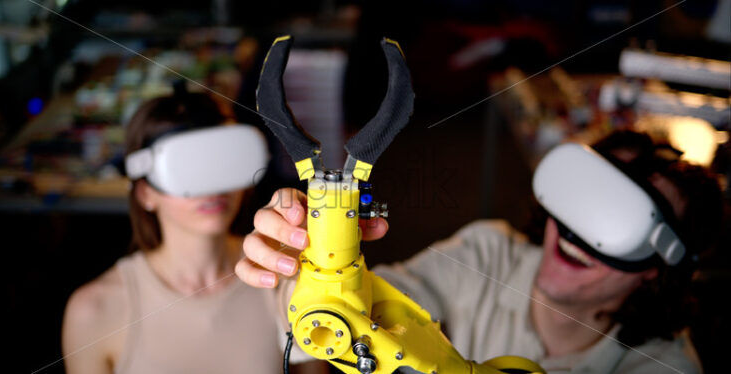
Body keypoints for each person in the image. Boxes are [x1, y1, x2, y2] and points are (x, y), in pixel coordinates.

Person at [235, 130, 723, 373]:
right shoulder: (488, 254)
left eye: (614, 226)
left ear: (658, 271)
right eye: (583, 199)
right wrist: (303, 263)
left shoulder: (667, 367)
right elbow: (327, 322)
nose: (575, 234)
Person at [61, 91, 328, 374]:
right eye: (187, 168)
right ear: (145, 193)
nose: (212, 187)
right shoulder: (94, 311)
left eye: (223, 162)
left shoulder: (287, 273)